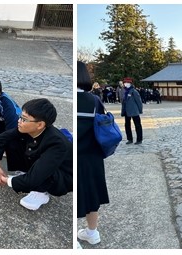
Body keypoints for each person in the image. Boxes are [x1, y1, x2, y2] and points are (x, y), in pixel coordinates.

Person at [0, 98, 72, 212]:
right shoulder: (30, 129)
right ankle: (25, 174)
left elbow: (37, 176)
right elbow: (0, 139)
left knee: (37, 175)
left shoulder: (56, 143)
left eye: (24, 119)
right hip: (43, 164)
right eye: (20, 116)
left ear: (40, 125)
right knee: (12, 140)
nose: (19, 121)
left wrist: (7, 180)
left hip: (63, 177)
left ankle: (41, 192)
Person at [75, 62, 109, 245]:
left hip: (76, 155)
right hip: (92, 157)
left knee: (78, 194)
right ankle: (92, 232)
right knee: (92, 194)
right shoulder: (94, 100)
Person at [120, 77, 144, 145]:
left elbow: (139, 101)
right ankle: (129, 139)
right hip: (126, 111)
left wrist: (140, 110)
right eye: (125, 83)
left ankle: (139, 139)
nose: (126, 84)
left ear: (130, 84)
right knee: (127, 125)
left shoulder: (134, 91)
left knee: (137, 125)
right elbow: (123, 102)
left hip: (134, 111)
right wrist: (122, 111)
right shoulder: (124, 91)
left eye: (127, 83)